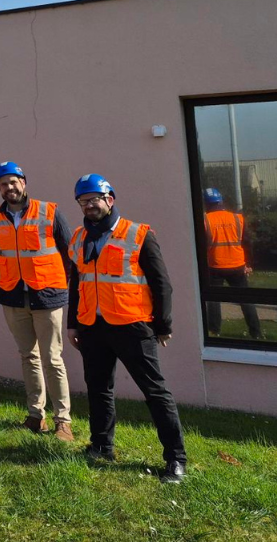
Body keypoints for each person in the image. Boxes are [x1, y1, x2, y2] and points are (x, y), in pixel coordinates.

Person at [67, 174, 187, 484]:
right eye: (83, 200)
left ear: (110, 199)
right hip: (92, 327)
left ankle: (176, 459)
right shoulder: (79, 237)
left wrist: (163, 325)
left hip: (132, 327)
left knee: (155, 392)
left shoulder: (138, 234)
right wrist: (72, 323)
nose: (89, 205)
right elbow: (76, 283)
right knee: (98, 389)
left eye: (95, 198)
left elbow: (162, 284)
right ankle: (101, 446)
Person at [0, 162, 76, 441]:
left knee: (52, 358)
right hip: (13, 296)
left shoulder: (49, 211)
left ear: (24, 182)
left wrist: (61, 284)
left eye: (14, 182)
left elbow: (69, 252)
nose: (9, 188)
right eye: (3, 184)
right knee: (29, 356)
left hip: (47, 295)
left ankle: (63, 421)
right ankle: (36, 416)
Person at [203, 188, 262, 339]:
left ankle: (214, 331)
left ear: (206, 204)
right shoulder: (237, 218)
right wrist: (248, 264)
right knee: (245, 299)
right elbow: (247, 242)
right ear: (221, 201)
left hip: (215, 265)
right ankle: (256, 332)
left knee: (214, 300)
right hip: (237, 265)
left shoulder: (205, 219)